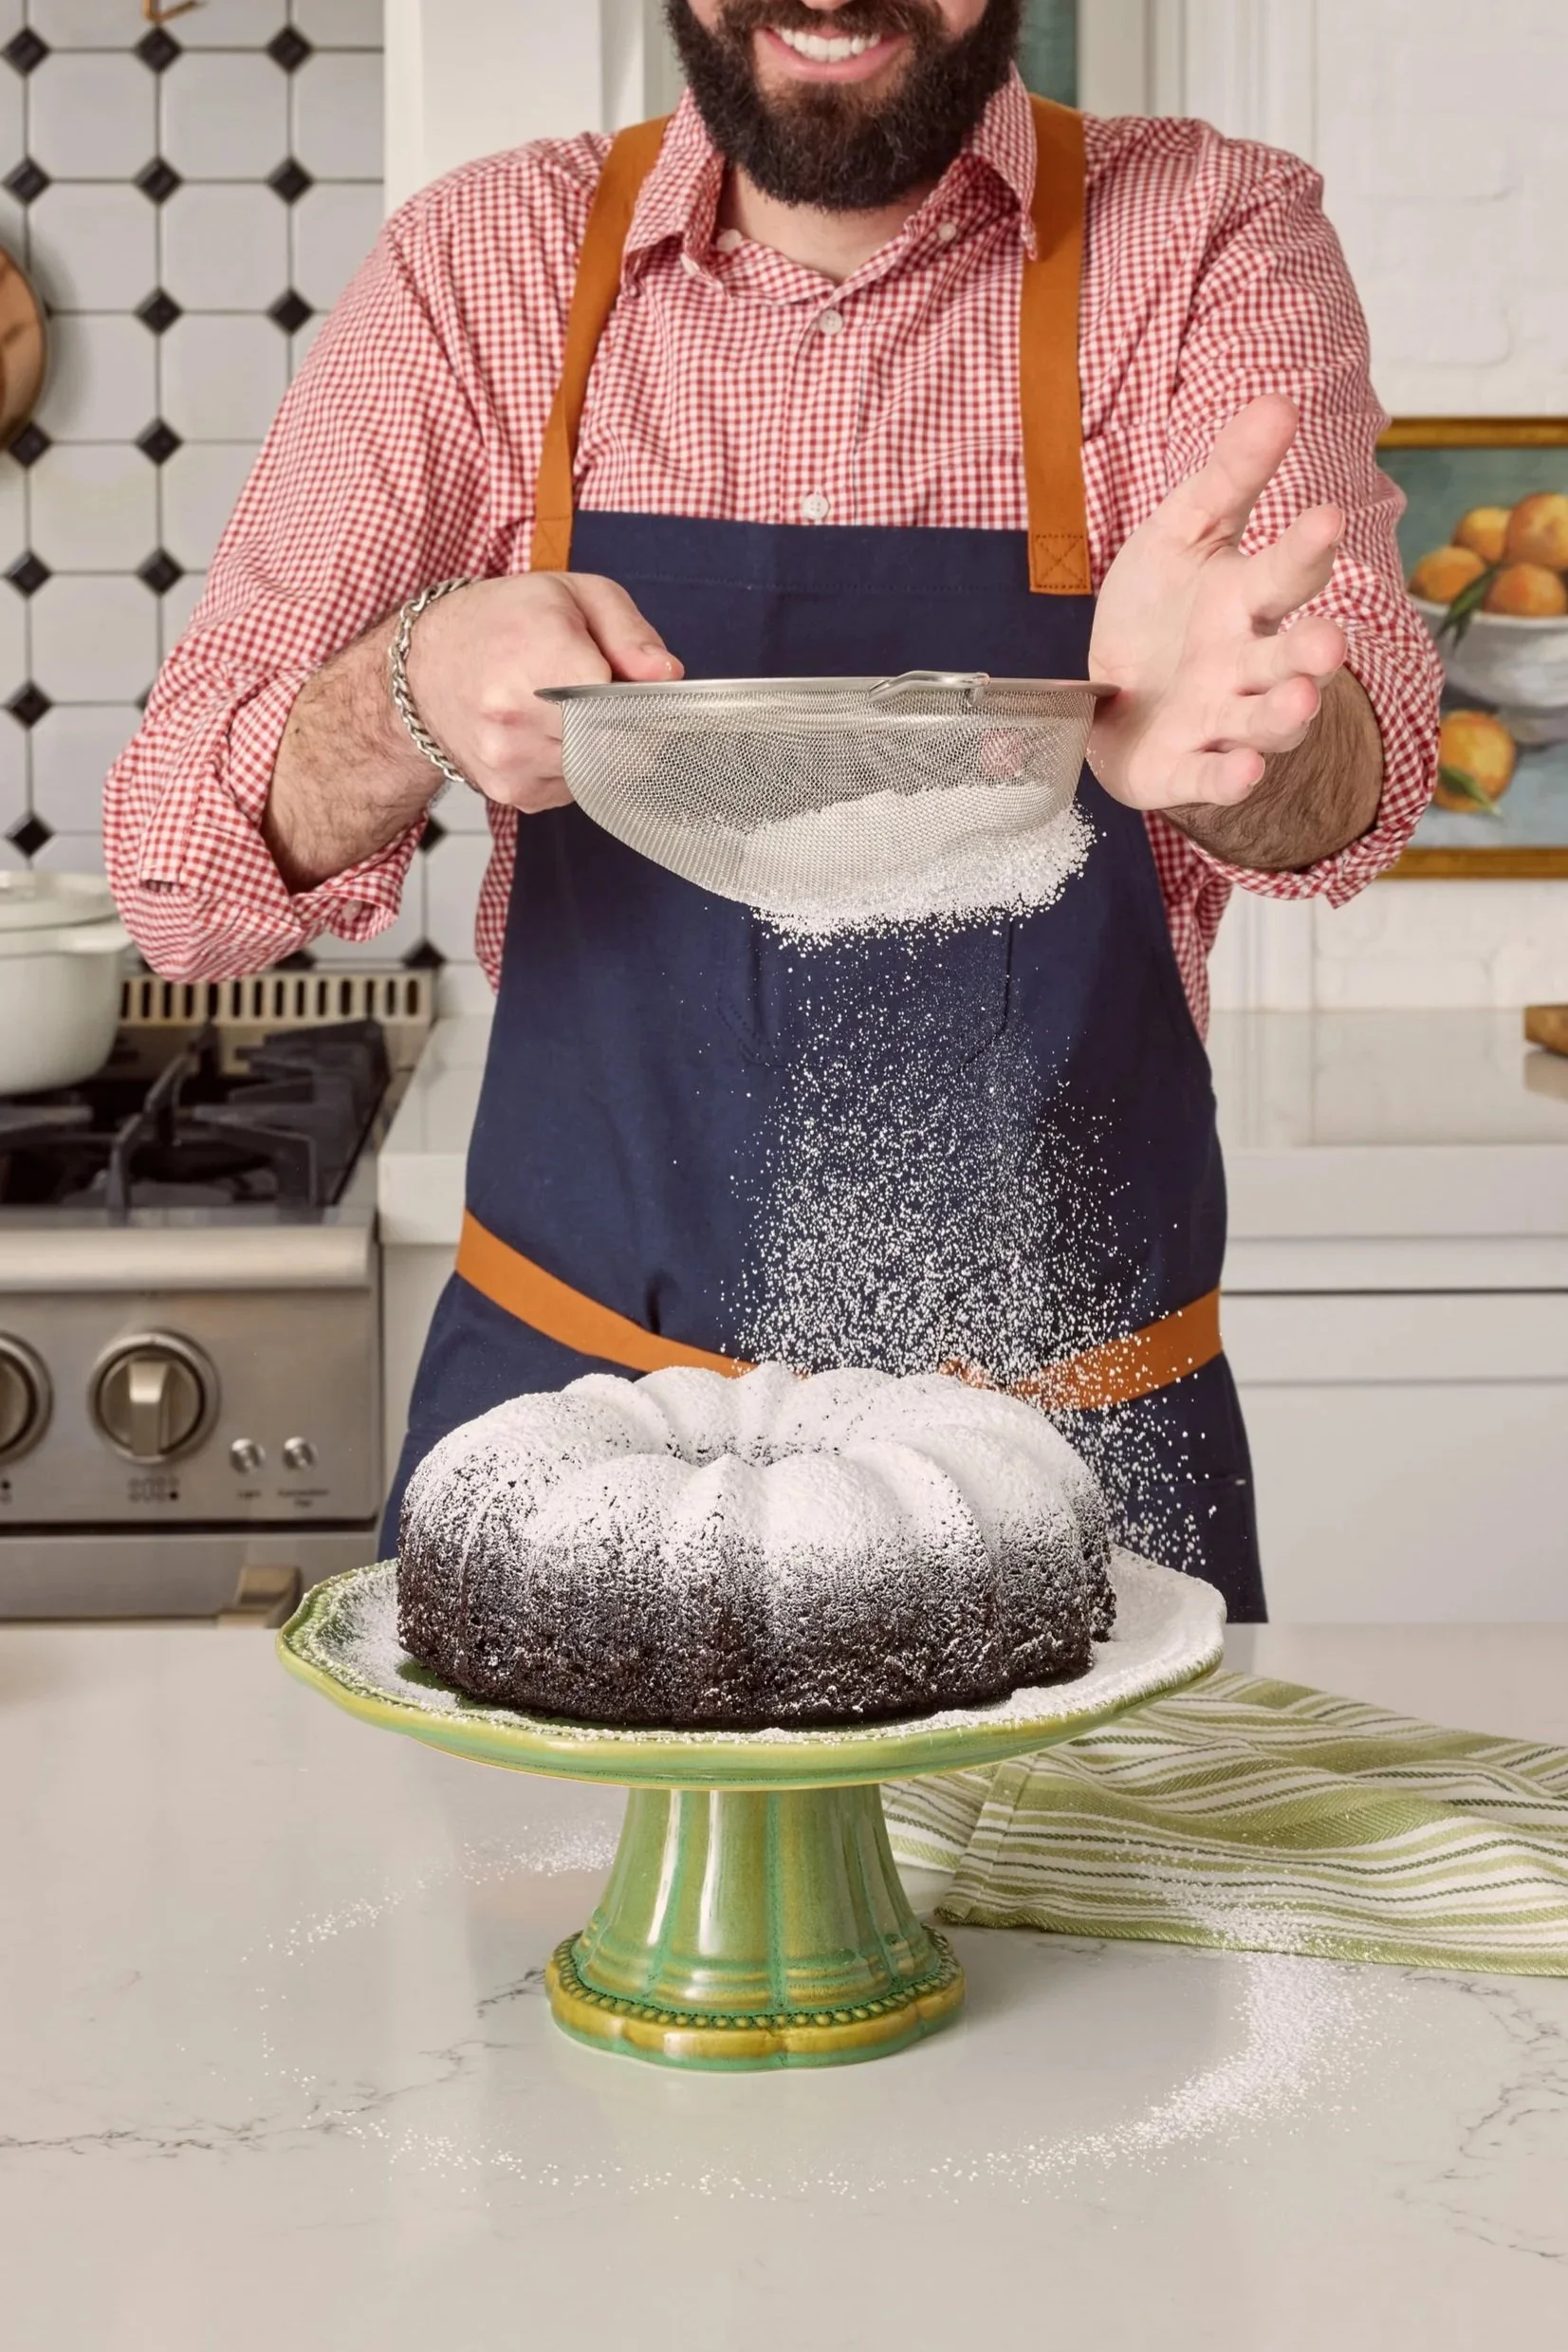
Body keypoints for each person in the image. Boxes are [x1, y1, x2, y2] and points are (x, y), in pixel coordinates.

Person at [105, 1, 1441, 1618]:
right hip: (576, 1437)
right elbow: (178, 868)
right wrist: (410, 686)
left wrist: (1253, 739)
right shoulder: (485, 265)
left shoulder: (1210, 235)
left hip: (1071, 1454)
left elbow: (1353, 788)